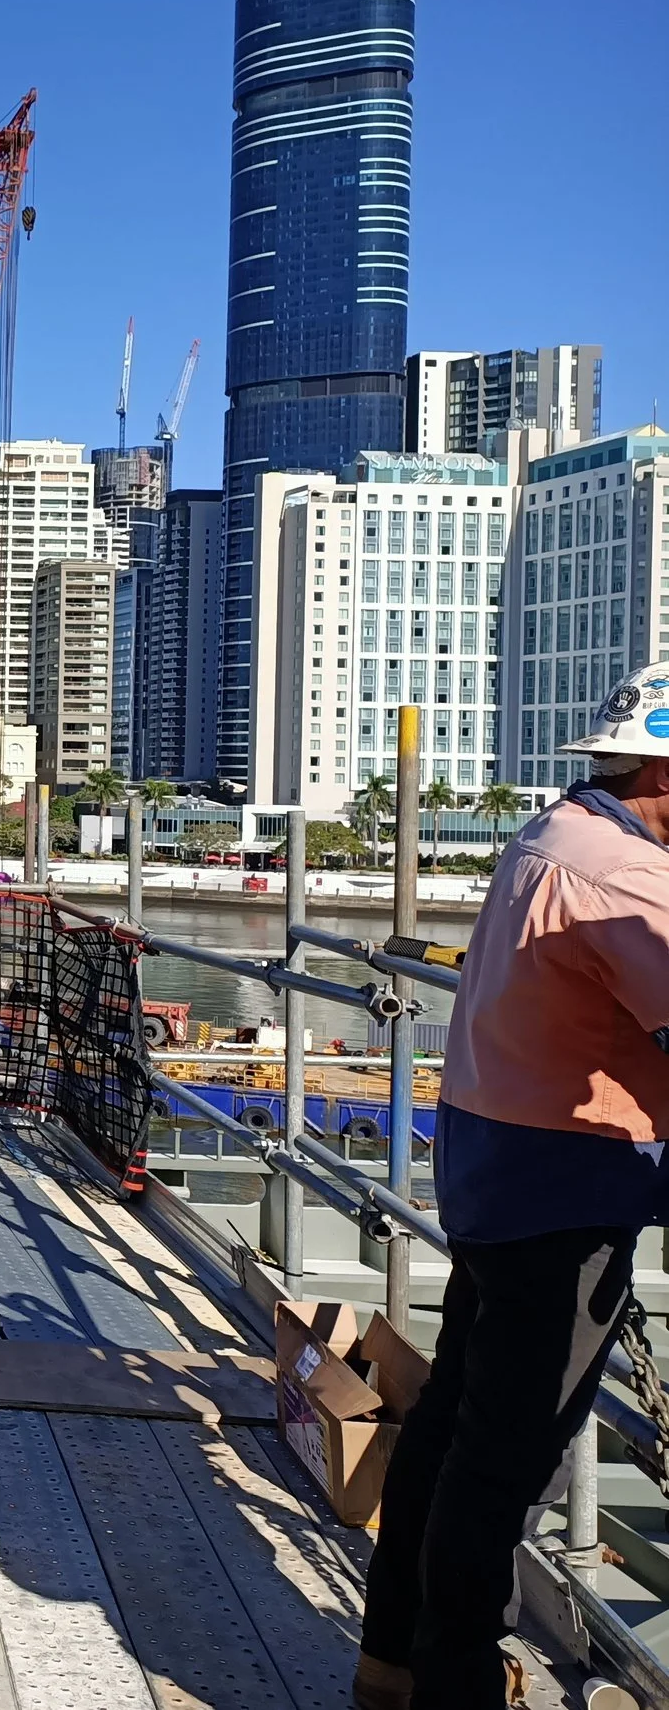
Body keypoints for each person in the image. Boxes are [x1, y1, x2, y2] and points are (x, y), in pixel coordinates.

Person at [358, 665, 669, 1710]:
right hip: (563, 1186)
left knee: (452, 1418)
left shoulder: (553, 835)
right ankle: (454, 1681)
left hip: (492, 1166)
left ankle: (391, 1655)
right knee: (507, 1453)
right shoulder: (626, 880)